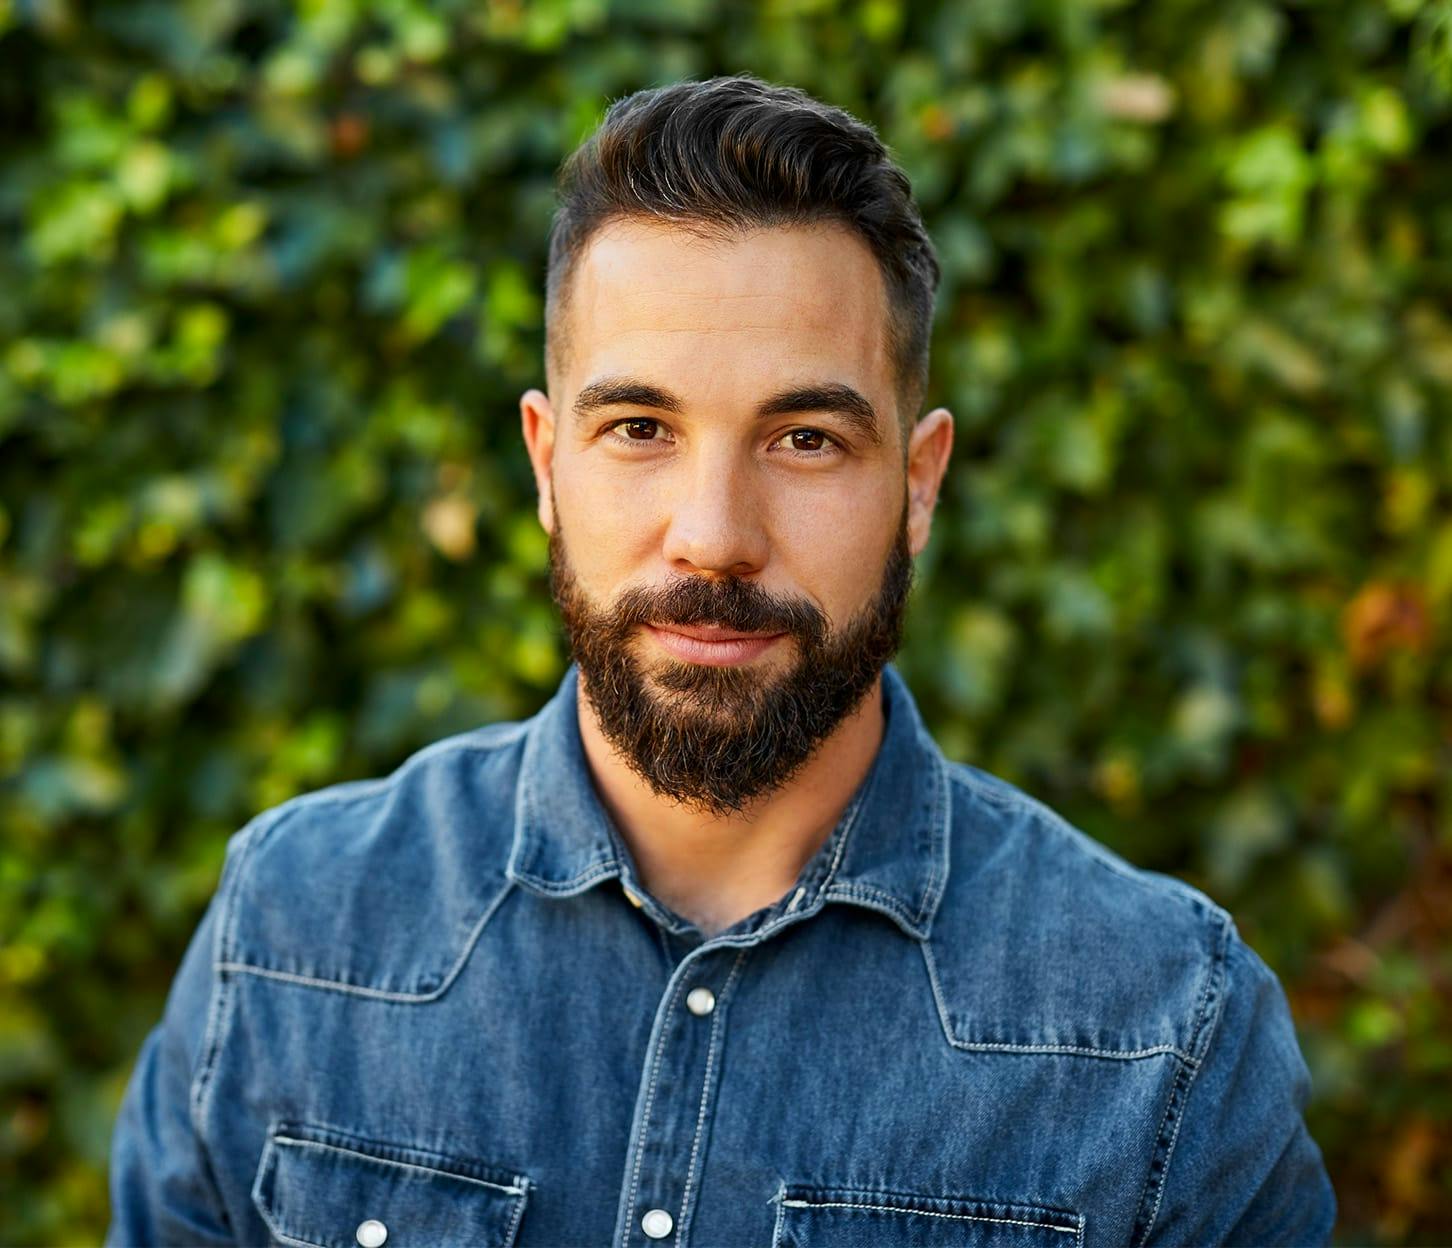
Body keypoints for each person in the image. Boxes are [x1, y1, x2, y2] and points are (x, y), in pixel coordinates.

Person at [106, 75, 1336, 1247]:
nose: (714, 536)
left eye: (804, 439)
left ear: (918, 488)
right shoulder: (295, 931)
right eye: (640, 428)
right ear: (546, 465)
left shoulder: (1162, 1029)